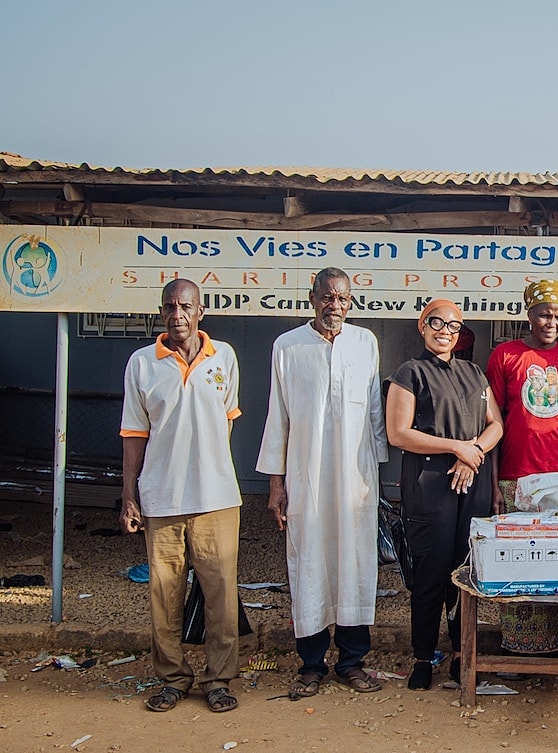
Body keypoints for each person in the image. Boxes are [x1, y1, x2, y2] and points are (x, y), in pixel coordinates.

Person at [256, 267, 389, 699]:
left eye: (344, 299)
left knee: (355, 562)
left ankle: (352, 661)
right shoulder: (288, 346)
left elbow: (373, 413)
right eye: (328, 298)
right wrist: (277, 484)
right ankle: (311, 664)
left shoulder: (365, 342)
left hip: (355, 477)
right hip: (306, 474)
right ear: (312, 297)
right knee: (309, 560)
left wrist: (376, 475)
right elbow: (278, 416)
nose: (336, 306)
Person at [119, 278, 243, 713]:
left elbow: (226, 420)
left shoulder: (223, 356)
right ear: (161, 312)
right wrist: (129, 495)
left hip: (217, 498)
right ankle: (172, 679)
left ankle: (218, 679)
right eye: (170, 307)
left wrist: (204, 463)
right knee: (164, 596)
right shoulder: (142, 363)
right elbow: (134, 434)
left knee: (221, 595)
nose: (178, 315)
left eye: (186, 306)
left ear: (200, 311)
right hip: (161, 498)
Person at [387, 298, 503, 690]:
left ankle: (460, 654)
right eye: (437, 322)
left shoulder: (474, 373)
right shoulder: (410, 372)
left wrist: (475, 454)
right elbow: (398, 432)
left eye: (453, 326)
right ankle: (423, 657)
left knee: (465, 572)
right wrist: (457, 448)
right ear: (422, 326)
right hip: (430, 484)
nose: (444, 331)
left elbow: (495, 425)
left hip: (472, 483)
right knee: (431, 573)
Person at [486, 280, 558, 656]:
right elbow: (491, 421)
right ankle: (522, 649)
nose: (551, 322)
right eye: (544, 314)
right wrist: (494, 483)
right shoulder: (505, 356)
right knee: (521, 565)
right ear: (529, 315)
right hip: (516, 478)